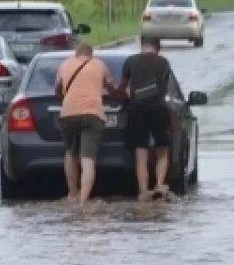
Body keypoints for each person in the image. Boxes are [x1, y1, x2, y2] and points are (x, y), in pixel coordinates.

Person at [54, 42, 116, 207]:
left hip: (68, 113)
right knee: (87, 159)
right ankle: (83, 202)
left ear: (76, 53)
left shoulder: (64, 64)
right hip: (92, 113)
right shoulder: (99, 65)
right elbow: (111, 87)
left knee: (70, 153)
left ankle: (73, 194)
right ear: (91, 54)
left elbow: (57, 89)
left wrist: (65, 99)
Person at [115, 36, 173, 201]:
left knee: (141, 152)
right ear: (158, 47)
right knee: (162, 149)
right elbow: (165, 86)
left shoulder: (130, 61)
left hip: (136, 109)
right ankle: (160, 185)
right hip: (158, 109)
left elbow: (122, 87)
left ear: (142, 46)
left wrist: (122, 95)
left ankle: (143, 191)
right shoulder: (164, 62)